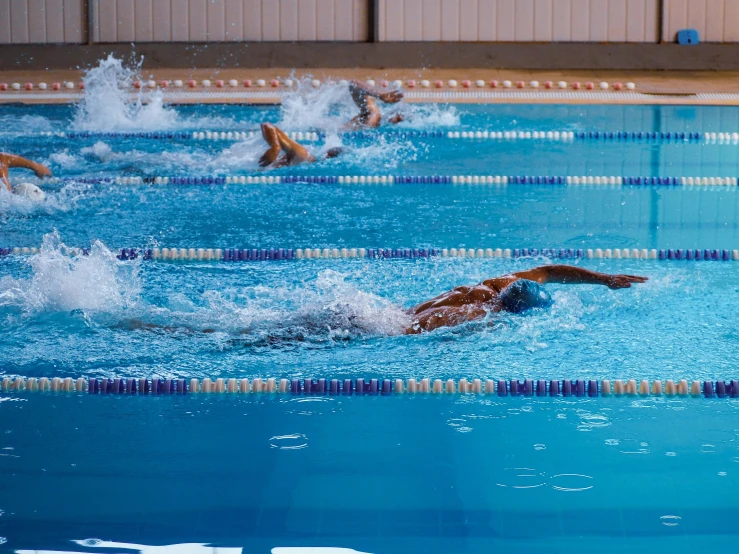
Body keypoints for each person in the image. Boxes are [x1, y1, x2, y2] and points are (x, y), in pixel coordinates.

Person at [405, 265, 647, 334]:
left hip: (401, 311)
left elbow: (551, 272)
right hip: (393, 327)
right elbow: (417, 328)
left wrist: (605, 279)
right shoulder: (480, 313)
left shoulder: (499, 283)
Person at [259, 122, 343, 168]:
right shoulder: (303, 156)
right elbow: (267, 125)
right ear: (327, 156)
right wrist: (275, 147)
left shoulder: (306, 162)